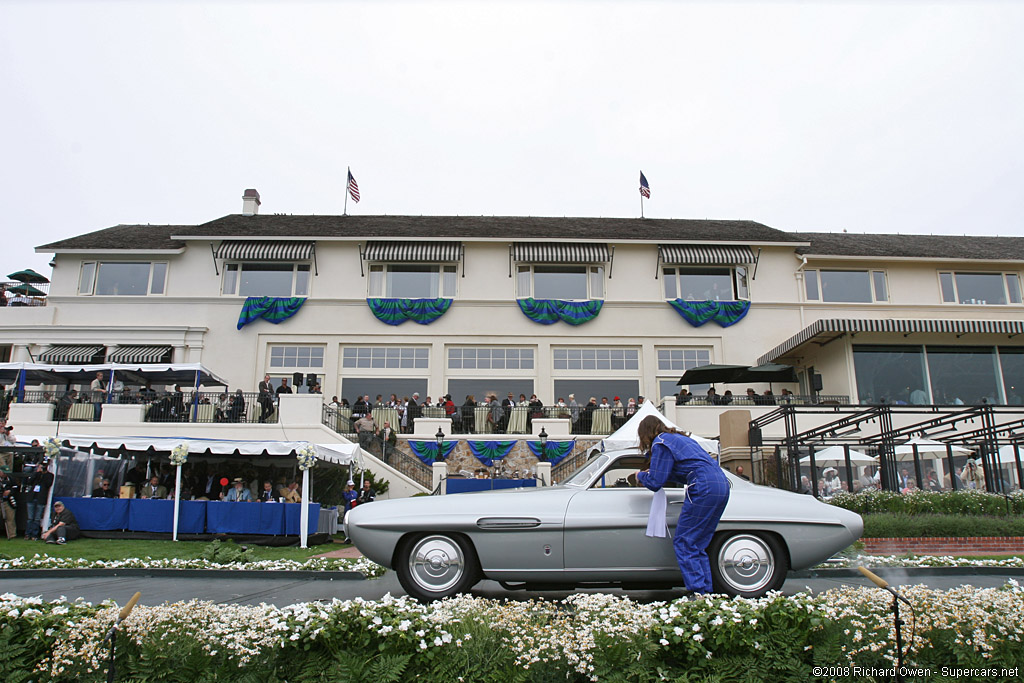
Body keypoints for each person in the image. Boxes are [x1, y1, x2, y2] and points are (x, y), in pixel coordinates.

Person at [636, 415, 729, 595]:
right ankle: (706, 594)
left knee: (684, 542)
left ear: (646, 433)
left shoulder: (660, 443)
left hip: (703, 486)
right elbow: (684, 468)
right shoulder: (679, 439)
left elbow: (655, 482)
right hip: (721, 485)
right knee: (697, 544)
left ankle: (697, 593)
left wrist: (640, 476)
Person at [23, 457, 53, 539]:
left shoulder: (50, 475)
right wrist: (37, 473)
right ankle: (27, 533)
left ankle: (34, 534)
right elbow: (29, 482)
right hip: (32, 497)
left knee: (37, 518)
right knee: (30, 517)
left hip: (41, 498)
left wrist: (44, 474)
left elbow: (48, 484)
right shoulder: (36, 474)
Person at [0, 469, 16, 539]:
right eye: (3, 473)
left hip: (8, 501)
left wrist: (10, 491)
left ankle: (11, 534)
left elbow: (15, 487)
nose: (4, 474)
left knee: (10, 518)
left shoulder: (11, 479)